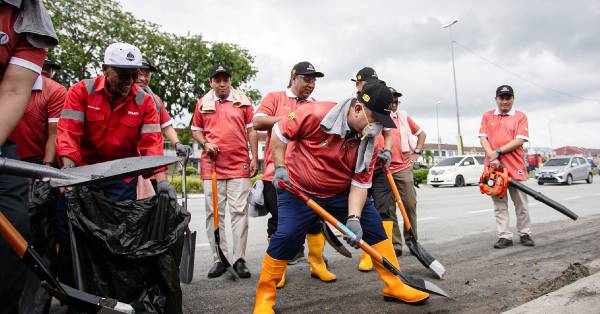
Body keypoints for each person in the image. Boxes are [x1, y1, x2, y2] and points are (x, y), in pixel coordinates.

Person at [253, 81, 429, 313]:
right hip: (297, 188)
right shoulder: (314, 113)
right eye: (374, 119)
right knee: (286, 236)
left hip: (341, 192)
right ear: (357, 109)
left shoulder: (370, 142)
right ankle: (265, 298)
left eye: (380, 122)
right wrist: (279, 167)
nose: (376, 127)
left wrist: (354, 218)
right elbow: (278, 133)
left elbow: (360, 183)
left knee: (374, 227)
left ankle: (394, 285)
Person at [56, 42, 174, 202]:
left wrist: (162, 181)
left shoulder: (144, 101)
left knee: (121, 223)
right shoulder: (81, 91)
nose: (130, 81)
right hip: (83, 174)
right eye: (123, 75)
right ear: (105, 69)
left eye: (134, 75)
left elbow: (151, 144)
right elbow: (69, 133)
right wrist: (68, 174)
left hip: (122, 178)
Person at [253, 61, 334, 288]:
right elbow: (257, 121)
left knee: (314, 222)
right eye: (307, 79)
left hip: (307, 174)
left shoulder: (315, 105)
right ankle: (278, 272)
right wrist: (292, 119)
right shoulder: (275, 97)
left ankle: (317, 265)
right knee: (280, 224)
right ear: (293, 78)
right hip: (276, 172)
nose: (311, 84)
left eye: (314, 80)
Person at [0, 2, 57, 313]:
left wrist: (47, 168)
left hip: (17, 155)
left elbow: (10, 90)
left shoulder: (30, 19)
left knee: (16, 227)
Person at [191, 64, 258, 279]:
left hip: (239, 164)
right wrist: (205, 143)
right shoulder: (202, 103)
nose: (222, 84)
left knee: (239, 212)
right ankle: (220, 258)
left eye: (225, 80)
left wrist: (254, 157)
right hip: (212, 166)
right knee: (213, 213)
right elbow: (196, 131)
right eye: (217, 80)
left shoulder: (243, 101)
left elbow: (252, 130)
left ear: (230, 81)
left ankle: (238, 259)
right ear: (211, 82)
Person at [350, 67, 396, 271]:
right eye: (364, 84)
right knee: (362, 208)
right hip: (359, 166)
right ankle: (367, 252)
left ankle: (384, 253)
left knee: (383, 208)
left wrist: (386, 151)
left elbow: (388, 133)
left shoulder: (379, 102)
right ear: (358, 85)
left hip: (378, 166)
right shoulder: (354, 106)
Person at [479, 85, 533, 249]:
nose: (504, 101)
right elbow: (483, 138)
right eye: (501, 98)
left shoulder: (520, 116)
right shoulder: (487, 116)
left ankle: (525, 233)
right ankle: (504, 236)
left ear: (513, 99)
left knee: (521, 204)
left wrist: (498, 151)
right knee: (499, 205)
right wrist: (491, 155)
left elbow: (520, 140)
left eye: (508, 97)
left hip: (515, 167)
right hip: (494, 169)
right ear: (496, 99)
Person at [136, 58, 191, 190]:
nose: (143, 78)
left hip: (153, 164)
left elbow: (166, 125)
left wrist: (177, 143)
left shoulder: (155, 100)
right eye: (139, 74)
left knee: (159, 202)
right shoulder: (124, 97)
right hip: (131, 164)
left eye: (146, 75)